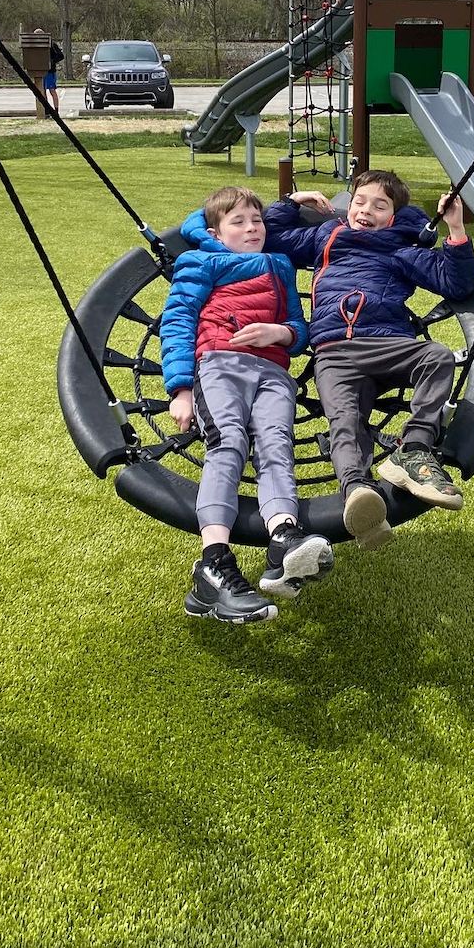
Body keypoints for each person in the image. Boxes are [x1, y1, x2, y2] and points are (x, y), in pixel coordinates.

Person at [260, 170, 474, 551]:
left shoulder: (402, 249)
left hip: (386, 344)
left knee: (437, 357)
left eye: (379, 206)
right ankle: (359, 493)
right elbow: (272, 237)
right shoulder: (325, 237)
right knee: (346, 421)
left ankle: (414, 450)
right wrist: (292, 202)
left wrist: (455, 228)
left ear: (394, 217)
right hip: (334, 351)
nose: (365, 211)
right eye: (359, 201)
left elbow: (456, 282)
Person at [162, 185, 334, 625]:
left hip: (274, 373)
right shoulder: (200, 261)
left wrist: (280, 334)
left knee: (277, 444)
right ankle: (213, 563)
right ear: (216, 233)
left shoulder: (279, 265)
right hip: (219, 364)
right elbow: (178, 320)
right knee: (229, 443)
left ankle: (283, 539)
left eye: (256, 220)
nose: (252, 228)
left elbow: (298, 327)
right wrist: (181, 389)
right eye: (238, 222)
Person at [44, 42, 62, 112]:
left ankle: (56, 110)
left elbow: (60, 56)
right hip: (40, 71)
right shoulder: (35, 44)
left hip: (50, 72)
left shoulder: (51, 44)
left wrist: (52, 61)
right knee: (42, 91)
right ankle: (46, 110)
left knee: (52, 90)